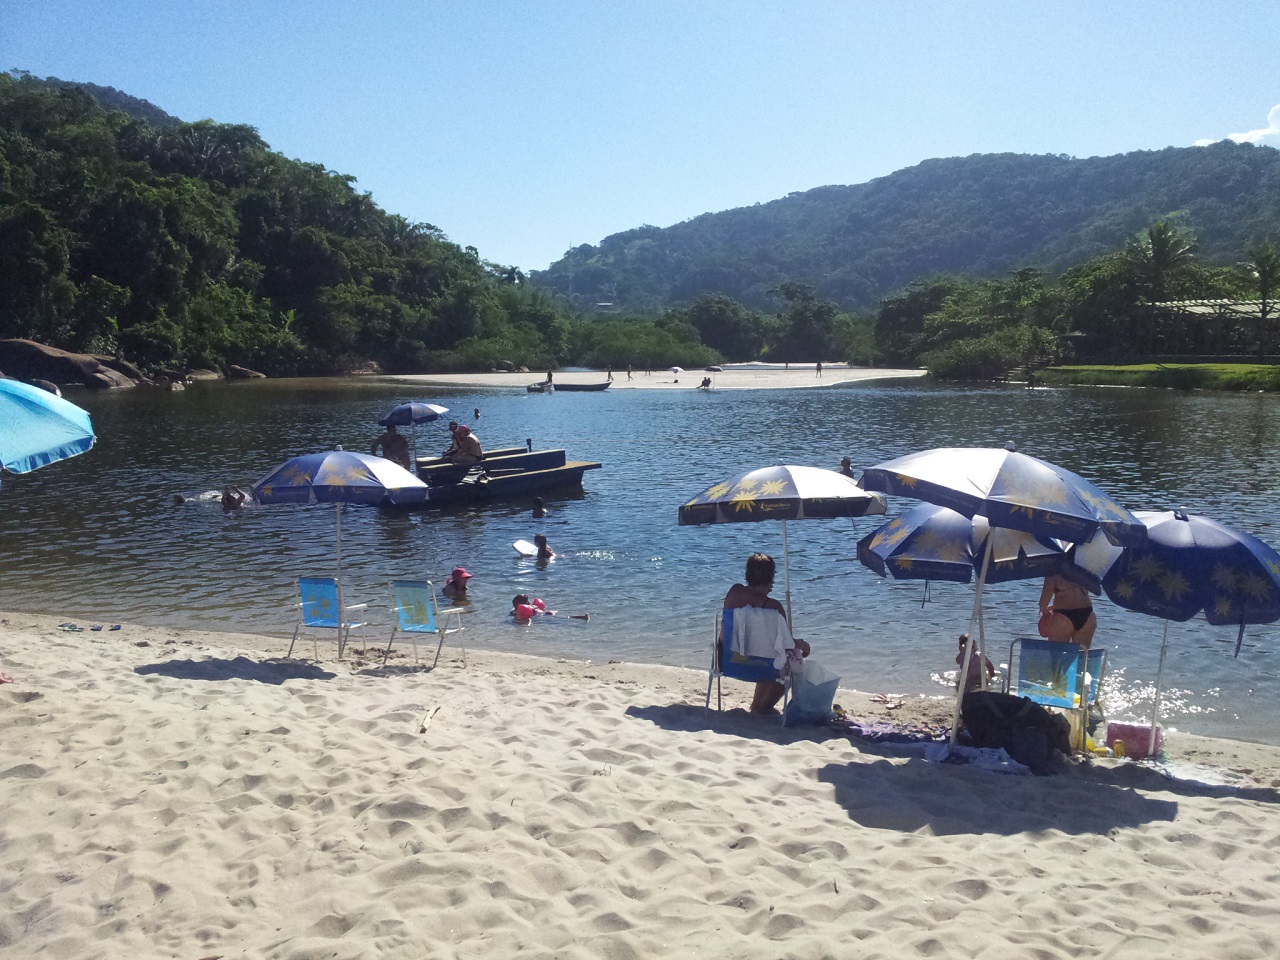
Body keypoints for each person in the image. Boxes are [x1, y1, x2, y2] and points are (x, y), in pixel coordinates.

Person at [723, 553, 810, 714]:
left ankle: (758, 704)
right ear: (771, 578)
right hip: (763, 667)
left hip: (729, 662)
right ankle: (761, 706)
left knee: (764, 652)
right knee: (787, 656)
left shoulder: (734, 593)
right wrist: (803, 645)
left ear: (748, 573)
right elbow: (785, 643)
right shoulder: (774, 608)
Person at [1039, 572, 1097, 647]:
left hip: (1063, 615)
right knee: (1083, 656)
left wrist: (1046, 612)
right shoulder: (1084, 567)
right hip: (1088, 613)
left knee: (1057, 655)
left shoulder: (1053, 571)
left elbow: (1043, 604)